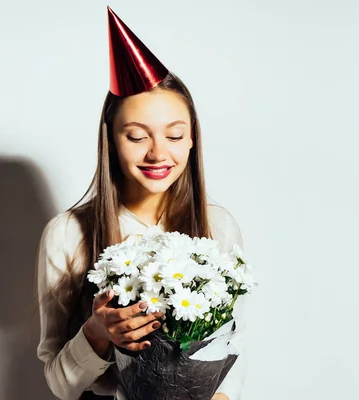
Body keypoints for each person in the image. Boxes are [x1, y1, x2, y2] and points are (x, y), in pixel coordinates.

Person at [36, 7, 247, 400]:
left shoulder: (218, 226)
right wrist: (97, 333)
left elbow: (229, 346)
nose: (157, 153)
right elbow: (60, 383)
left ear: (192, 139)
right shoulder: (66, 234)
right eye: (136, 136)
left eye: (174, 134)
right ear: (111, 142)